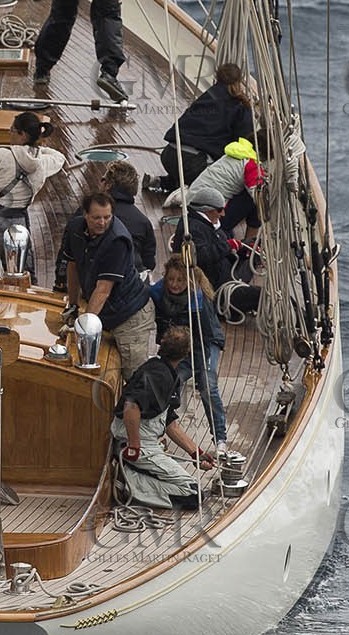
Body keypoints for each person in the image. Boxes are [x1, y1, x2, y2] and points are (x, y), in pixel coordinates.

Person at [111, 327, 217, 510]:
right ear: (185, 354)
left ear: (162, 345)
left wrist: (196, 453)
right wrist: (134, 446)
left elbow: (170, 424)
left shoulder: (161, 370)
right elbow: (131, 407)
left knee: (187, 487)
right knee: (192, 495)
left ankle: (136, 475)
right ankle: (129, 484)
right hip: (135, 444)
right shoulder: (158, 376)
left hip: (146, 441)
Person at [62, 192, 156, 379]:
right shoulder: (74, 229)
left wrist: (84, 328)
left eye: (107, 217)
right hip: (105, 311)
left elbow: (103, 290)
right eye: (96, 217)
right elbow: (73, 266)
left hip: (130, 316)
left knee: (134, 377)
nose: (102, 223)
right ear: (85, 214)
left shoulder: (117, 241)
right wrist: (72, 306)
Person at [0, 111, 65, 273]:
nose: (9, 133)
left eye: (12, 130)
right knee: (19, 275)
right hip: (19, 223)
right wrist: (36, 148)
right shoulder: (43, 162)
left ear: (22, 135)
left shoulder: (2, 155)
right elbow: (60, 157)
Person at [149, 255, 228, 451]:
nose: (174, 284)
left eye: (180, 280)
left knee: (207, 386)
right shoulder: (157, 293)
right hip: (178, 345)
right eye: (171, 279)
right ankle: (160, 432)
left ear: (189, 280)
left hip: (204, 343)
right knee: (167, 383)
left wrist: (200, 367)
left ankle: (220, 438)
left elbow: (206, 335)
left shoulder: (198, 299)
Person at [145, 63, 254, 195]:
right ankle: (185, 194)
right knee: (223, 179)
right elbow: (245, 141)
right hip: (193, 163)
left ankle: (163, 182)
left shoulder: (207, 96)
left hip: (169, 154)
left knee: (188, 168)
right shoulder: (241, 106)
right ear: (239, 81)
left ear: (217, 77)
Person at [53, 160, 157, 291]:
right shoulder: (143, 222)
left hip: (97, 284)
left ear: (107, 185)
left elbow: (67, 250)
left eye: (103, 179)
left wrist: (60, 282)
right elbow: (149, 263)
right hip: (130, 286)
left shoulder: (86, 214)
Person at [171, 203, 265, 321]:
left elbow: (224, 255)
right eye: (220, 210)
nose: (223, 214)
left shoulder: (211, 226)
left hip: (227, 277)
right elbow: (201, 257)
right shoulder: (194, 229)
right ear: (207, 210)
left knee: (255, 245)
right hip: (218, 293)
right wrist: (227, 246)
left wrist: (243, 249)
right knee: (262, 295)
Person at [170, 137, 265, 237]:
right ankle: (250, 242)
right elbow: (260, 198)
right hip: (208, 215)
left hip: (190, 209)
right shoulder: (252, 165)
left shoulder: (236, 155)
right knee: (257, 196)